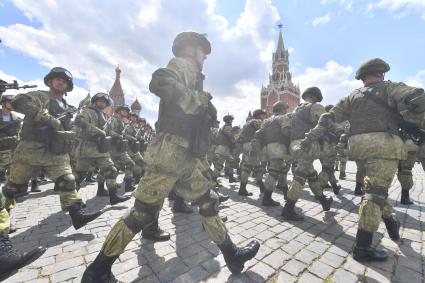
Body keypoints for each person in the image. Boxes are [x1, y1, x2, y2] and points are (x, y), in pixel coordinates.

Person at [82, 32, 259, 282]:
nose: (205, 56)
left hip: (185, 153)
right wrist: (199, 101)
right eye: (203, 51)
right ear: (190, 48)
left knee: (208, 202)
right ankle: (97, 271)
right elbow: (160, 82)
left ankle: (232, 255)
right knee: (142, 212)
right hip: (170, 151)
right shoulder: (181, 65)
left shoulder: (192, 74)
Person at [301, 58, 425, 262]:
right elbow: (417, 98)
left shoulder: (352, 97)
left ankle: (390, 220)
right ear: (381, 73)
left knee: (374, 188)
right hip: (383, 145)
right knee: (375, 193)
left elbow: (327, 119)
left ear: (362, 77)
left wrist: (309, 139)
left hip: (358, 148)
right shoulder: (390, 88)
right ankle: (363, 246)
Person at [282, 87, 333, 221]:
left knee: (311, 174)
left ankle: (323, 201)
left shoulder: (294, 111)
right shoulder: (316, 107)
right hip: (307, 143)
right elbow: (326, 123)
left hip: (294, 144)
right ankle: (288, 209)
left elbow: (286, 130)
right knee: (300, 176)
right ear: (316, 97)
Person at [73, 92, 130, 204]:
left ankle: (113, 196)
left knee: (111, 170)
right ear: (95, 101)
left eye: (104, 102)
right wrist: (97, 131)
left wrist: (112, 135)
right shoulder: (87, 111)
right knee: (80, 176)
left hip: (100, 149)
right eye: (99, 101)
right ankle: (72, 200)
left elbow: (107, 130)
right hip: (86, 148)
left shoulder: (103, 115)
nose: (102, 103)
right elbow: (79, 121)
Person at [254, 101, 291, 205]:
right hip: (278, 147)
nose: (286, 111)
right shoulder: (283, 118)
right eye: (285, 109)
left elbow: (258, 134)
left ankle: (286, 194)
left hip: (268, 147)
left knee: (282, 170)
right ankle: (267, 198)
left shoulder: (266, 121)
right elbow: (286, 132)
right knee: (274, 173)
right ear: (282, 109)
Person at [237, 109, 267, 196]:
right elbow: (263, 132)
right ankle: (243, 189)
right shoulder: (257, 122)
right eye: (262, 114)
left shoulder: (246, 124)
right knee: (250, 168)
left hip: (246, 146)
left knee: (254, 167)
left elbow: (240, 137)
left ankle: (261, 187)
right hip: (252, 145)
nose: (264, 116)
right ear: (259, 115)